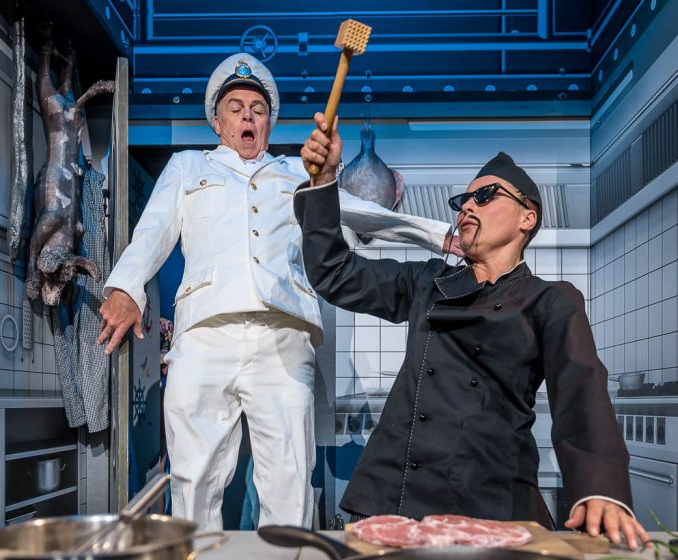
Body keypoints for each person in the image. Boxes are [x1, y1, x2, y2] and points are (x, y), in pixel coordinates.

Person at [96, 54, 455, 531]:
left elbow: (359, 211)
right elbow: (153, 231)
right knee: (193, 476)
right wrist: (126, 286)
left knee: (289, 476)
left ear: (268, 123)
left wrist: (438, 235)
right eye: (236, 108)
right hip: (204, 334)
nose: (248, 115)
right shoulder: (188, 166)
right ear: (218, 122)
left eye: (258, 109)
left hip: (282, 334)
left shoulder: (296, 172)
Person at [296, 113, 650, 549]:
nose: (467, 207)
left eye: (484, 196)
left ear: (527, 217)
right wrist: (324, 182)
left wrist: (601, 487)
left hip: (490, 501)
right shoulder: (427, 282)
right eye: (464, 200)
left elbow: (580, 386)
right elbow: (334, 272)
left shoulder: (550, 299)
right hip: (395, 499)